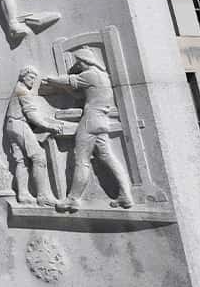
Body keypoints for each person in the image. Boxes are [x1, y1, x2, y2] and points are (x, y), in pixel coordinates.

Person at [43, 46, 134, 211]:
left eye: (80, 62)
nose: (79, 66)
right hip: (102, 121)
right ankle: (126, 195)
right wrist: (66, 88)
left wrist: (51, 80)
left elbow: (69, 80)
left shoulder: (90, 74)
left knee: (81, 160)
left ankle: (72, 199)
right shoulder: (103, 77)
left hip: (90, 121)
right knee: (108, 157)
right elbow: (79, 95)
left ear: (86, 61)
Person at [4, 66, 71, 206]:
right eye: (31, 77)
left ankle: (23, 195)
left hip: (12, 125)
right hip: (19, 125)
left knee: (21, 161)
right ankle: (42, 196)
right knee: (39, 157)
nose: (33, 81)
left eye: (35, 78)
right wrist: (49, 126)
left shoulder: (18, 89)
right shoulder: (22, 91)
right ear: (23, 76)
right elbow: (31, 115)